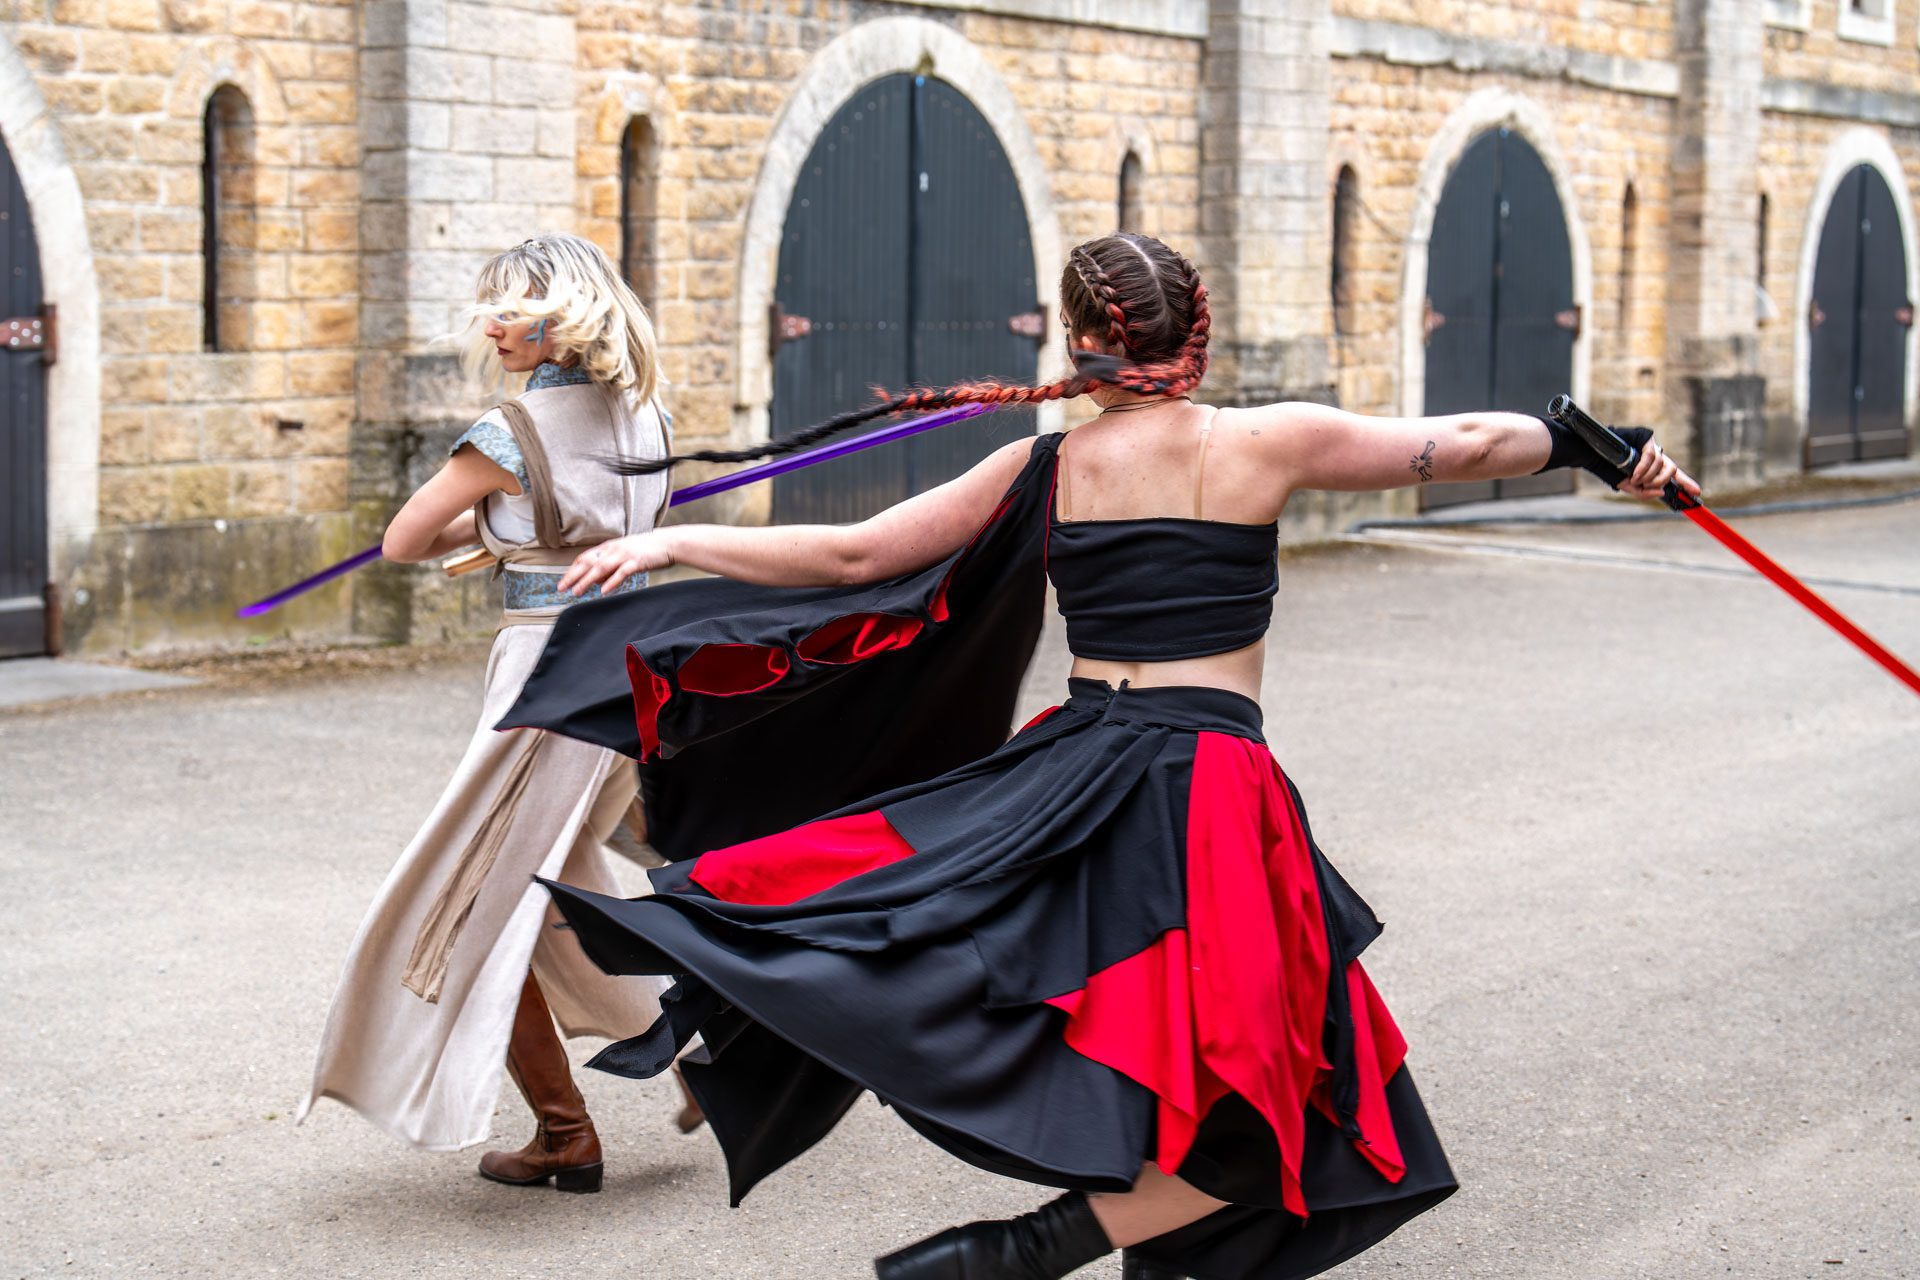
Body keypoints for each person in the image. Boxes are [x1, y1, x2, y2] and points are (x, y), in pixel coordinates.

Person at [510, 232, 1698, 1275]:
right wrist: (1600, 447)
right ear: (1195, 329)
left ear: (1080, 341)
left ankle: (1065, 1235)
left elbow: (858, 555)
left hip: (1077, 769)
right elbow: (1473, 438)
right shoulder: (1267, 438)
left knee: (1053, 1001)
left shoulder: (1053, 463)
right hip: (1206, 785)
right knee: (1287, 1084)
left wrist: (677, 546)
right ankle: (1029, 1247)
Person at [299, 232, 702, 1194]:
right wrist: (503, 522)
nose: (493, 329)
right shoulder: (647, 414)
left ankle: (570, 1129)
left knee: (478, 893)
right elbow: (611, 523)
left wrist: (486, 515)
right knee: (551, 881)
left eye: (511, 312)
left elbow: (404, 540)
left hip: (544, 676)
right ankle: (695, 1049)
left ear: (561, 319)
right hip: (631, 666)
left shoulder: (507, 433)